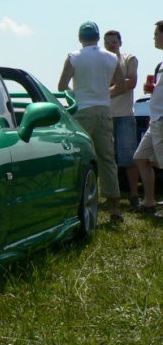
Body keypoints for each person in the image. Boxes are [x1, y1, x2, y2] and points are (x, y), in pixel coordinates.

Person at [58, 21, 126, 221]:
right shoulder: (111, 57)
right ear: (98, 38)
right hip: (104, 111)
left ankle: (81, 203)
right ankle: (115, 209)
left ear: (80, 38)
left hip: (82, 112)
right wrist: (104, 94)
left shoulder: (74, 57)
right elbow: (121, 86)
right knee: (107, 159)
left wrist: (77, 95)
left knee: (80, 158)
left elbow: (62, 85)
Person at [104, 30, 140, 210]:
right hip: (105, 115)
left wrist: (107, 88)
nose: (111, 44)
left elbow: (132, 82)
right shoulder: (102, 61)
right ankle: (111, 195)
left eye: (114, 41)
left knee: (129, 158)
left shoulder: (129, 59)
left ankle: (134, 195)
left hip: (125, 115)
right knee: (107, 158)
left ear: (120, 42)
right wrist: (119, 83)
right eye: (108, 41)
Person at [133, 20, 163, 214]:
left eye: (156, 33)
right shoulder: (160, 64)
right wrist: (150, 90)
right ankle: (149, 201)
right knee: (141, 157)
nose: (153, 37)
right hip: (155, 120)